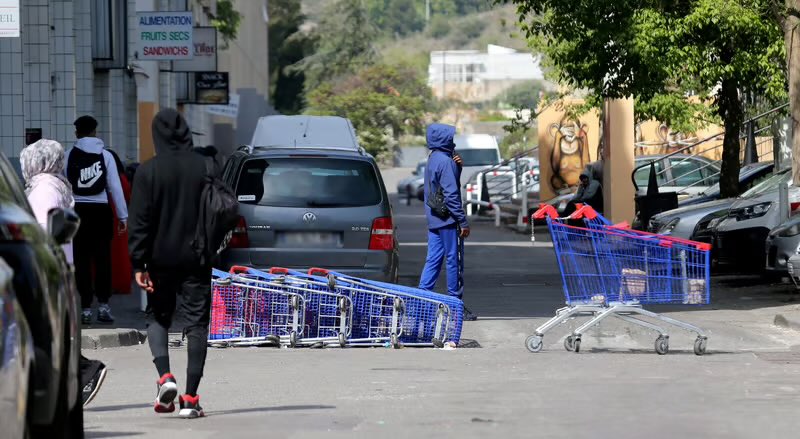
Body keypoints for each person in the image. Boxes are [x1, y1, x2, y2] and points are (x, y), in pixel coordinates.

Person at [129, 109, 213, 419]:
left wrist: (138, 263)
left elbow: (139, 221)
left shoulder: (148, 171)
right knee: (196, 323)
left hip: (159, 258)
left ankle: (165, 378)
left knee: (157, 316)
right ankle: (190, 398)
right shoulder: (205, 165)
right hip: (197, 256)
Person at [19, 138, 108, 407]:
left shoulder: (44, 189)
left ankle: (83, 373)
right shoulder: (53, 185)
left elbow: (44, 230)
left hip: (45, 269)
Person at [65, 116, 128, 324]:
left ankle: (84, 307)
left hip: (78, 210)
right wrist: (122, 215)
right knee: (103, 259)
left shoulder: (68, 155)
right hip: (101, 211)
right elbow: (114, 187)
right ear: (95, 131)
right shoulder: (106, 155)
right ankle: (103, 305)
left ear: (76, 132)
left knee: (81, 259)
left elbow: (63, 187)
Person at [418, 123, 476, 320]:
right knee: (454, 261)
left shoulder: (433, 158)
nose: (453, 141)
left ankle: (421, 300)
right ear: (444, 140)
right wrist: (463, 221)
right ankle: (455, 305)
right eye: (450, 138)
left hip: (434, 218)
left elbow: (441, 187)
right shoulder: (445, 161)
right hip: (448, 220)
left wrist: (458, 168)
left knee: (433, 260)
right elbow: (451, 194)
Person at [105, 148, 133, 295]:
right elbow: (127, 196)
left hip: (105, 214)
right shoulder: (121, 178)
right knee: (120, 251)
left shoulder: (104, 176)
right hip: (119, 216)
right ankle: (120, 281)